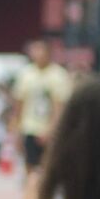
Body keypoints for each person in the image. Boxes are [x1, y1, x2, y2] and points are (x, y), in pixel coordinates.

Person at [12, 37, 72, 176]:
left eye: (40, 49)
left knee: (48, 169)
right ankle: (31, 195)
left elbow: (59, 107)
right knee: (30, 168)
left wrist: (50, 130)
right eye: (34, 49)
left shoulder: (58, 75)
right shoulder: (26, 74)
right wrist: (16, 129)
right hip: (29, 128)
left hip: (48, 131)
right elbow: (19, 104)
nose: (37, 53)